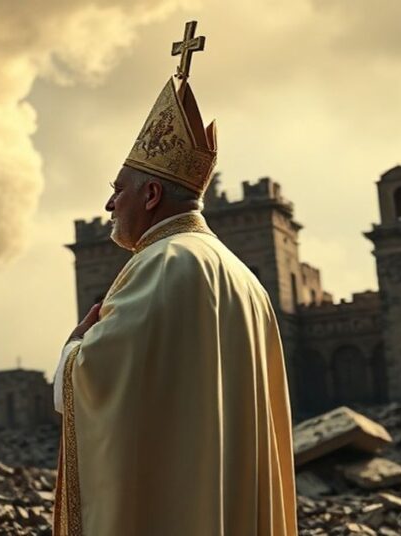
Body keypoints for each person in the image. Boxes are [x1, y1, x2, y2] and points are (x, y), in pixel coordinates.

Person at [51, 52, 298, 535]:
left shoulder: (158, 264)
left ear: (151, 196)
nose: (108, 204)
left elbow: (102, 382)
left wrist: (74, 349)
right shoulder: (244, 278)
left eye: (117, 190)